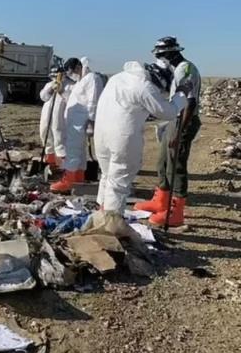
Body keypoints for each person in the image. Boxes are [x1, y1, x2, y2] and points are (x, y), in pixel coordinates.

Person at [94, 61, 191, 213]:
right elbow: (168, 112)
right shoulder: (145, 87)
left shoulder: (118, 77)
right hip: (122, 137)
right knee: (119, 181)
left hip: (101, 135)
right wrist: (181, 94)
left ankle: (102, 212)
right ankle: (111, 224)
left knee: (107, 175)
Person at [135, 37, 202, 227]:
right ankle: (161, 200)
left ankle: (176, 211)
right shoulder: (176, 69)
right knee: (163, 161)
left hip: (184, 121)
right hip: (174, 120)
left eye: (162, 55)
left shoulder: (185, 69)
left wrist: (179, 131)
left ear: (172, 52)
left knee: (176, 165)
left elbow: (190, 102)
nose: (161, 58)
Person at [50, 57, 104, 193]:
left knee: (72, 150)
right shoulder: (81, 81)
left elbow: (93, 100)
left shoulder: (92, 78)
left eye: (71, 72)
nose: (71, 75)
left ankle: (68, 180)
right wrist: (61, 91)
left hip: (81, 121)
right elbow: (75, 99)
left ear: (78, 68)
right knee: (79, 152)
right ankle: (78, 177)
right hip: (75, 121)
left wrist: (91, 121)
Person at [39, 67, 76, 167]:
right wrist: (51, 89)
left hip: (60, 115)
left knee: (58, 135)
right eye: (54, 76)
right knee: (45, 133)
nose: (56, 78)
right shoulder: (49, 84)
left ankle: (62, 164)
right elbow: (43, 97)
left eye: (58, 75)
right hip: (47, 114)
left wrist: (61, 91)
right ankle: (50, 162)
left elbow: (72, 100)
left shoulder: (71, 85)